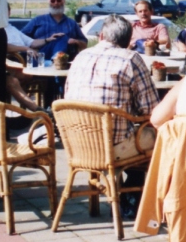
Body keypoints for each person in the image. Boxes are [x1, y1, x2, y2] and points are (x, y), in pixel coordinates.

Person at [65, 14, 160, 160]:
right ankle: (137, 174)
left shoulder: (80, 56)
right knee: (163, 135)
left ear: (101, 36)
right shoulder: (130, 58)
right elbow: (151, 110)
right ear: (128, 40)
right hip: (112, 148)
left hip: (77, 143)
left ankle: (122, 174)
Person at [20, 0, 87, 60]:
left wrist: (76, 41)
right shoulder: (37, 20)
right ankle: (56, 59)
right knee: (61, 37)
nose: (56, 3)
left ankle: (57, 58)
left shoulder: (71, 23)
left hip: (66, 59)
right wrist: (30, 49)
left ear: (64, 1)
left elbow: (84, 44)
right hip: (41, 57)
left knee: (63, 38)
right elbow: (20, 37)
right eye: (53, 0)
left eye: (59, 0)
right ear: (49, 2)